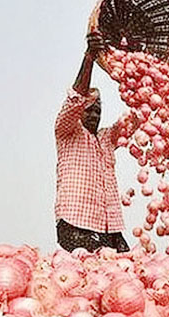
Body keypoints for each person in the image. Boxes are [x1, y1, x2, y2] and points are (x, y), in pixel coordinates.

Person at [54, 32, 134, 254]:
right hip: (76, 222)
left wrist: (146, 85)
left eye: (99, 109)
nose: (95, 113)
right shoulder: (67, 131)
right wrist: (89, 57)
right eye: (90, 108)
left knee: (122, 276)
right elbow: (75, 97)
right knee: (86, 277)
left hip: (111, 226)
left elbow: (135, 119)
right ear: (79, 112)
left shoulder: (106, 138)